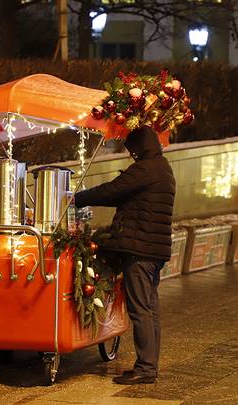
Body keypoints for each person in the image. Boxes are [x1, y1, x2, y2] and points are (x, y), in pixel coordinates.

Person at [74, 126, 175, 385]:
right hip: (154, 250)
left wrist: (78, 198)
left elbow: (113, 190)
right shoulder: (164, 168)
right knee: (150, 309)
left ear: (141, 147)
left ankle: (145, 368)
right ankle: (149, 365)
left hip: (139, 250)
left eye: (132, 150)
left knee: (140, 309)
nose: (131, 155)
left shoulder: (146, 169)